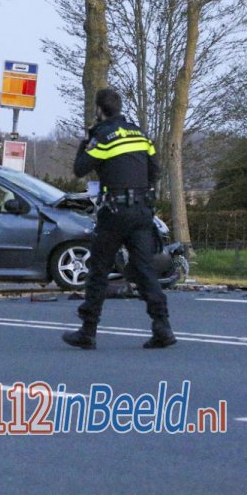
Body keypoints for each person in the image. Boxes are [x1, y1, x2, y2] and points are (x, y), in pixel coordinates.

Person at [63, 87, 176, 350]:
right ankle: (162, 327)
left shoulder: (102, 137)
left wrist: (86, 141)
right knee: (144, 269)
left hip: (114, 213)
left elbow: (80, 168)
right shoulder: (140, 134)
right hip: (141, 212)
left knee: (99, 270)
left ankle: (88, 331)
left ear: (99, 110)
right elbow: (155, 171)